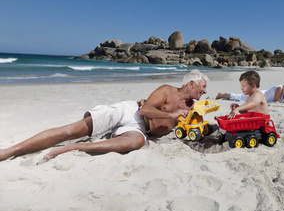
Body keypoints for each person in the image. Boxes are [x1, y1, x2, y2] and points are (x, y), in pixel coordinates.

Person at [0, 70, 209, 162]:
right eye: (202, 87)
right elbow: (144, 110)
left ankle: (76, 146)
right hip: (129, 111)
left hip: (139, 129)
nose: (204, 92)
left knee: (136, 142)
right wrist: (173, 113)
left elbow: (194, 130)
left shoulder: (192, 108)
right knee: (71, 130)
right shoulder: (167, 90)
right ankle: (9, 151)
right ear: (191, 83)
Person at [217, 80, 284, 105]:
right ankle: (221, 95)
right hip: (259, 95)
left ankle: (226, 94)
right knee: (240, 97)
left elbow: (283, 101)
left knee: (241, 97)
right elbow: (277, 101)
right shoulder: (280, 88)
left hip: (264, 95)